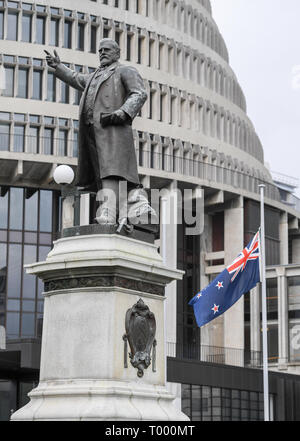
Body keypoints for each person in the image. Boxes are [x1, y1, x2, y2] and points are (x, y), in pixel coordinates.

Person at [45, 39, 150, 226]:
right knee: (100, 173)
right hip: (92, 133)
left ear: (117, 53)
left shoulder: (125, 71)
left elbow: (139, 93)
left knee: (112, 171)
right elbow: (76, 78)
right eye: (100, 50)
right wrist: (59, 67)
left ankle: (109, 213)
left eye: (107, 50)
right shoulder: (94, 76)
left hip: (113, 131)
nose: (102, 52)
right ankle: (110, 212)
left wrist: (123, 112)